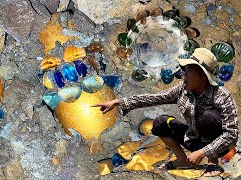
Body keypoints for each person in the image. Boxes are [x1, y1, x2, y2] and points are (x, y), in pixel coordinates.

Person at [92, 48, 238, 176]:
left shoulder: (222, 96)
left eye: (188, 71)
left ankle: (213, 162)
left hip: (218, 147)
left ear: (202, 75)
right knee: (160, 122)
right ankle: (182, 160)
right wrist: (118, 102)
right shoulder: (182, 89)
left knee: (209, 116)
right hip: (192, 139)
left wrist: (203, 152)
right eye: (184, 70)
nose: (184, 75)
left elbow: (231, 134)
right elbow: (153, 98)